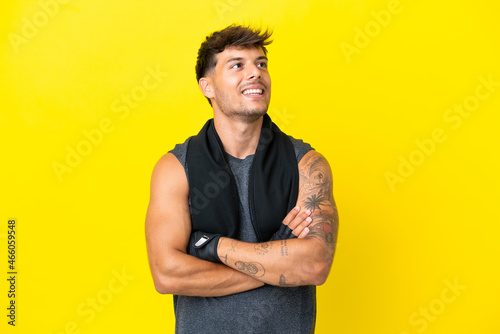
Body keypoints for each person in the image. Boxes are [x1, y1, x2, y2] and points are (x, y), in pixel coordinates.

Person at [145, 24, 339, 334]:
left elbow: (313, 265)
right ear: (207, 86)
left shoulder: (307, 165)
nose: (255, 73)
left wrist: (214, 247)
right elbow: (168, 275)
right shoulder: (174, 169)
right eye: (238, 65)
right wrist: (277, 257)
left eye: (261, 64)